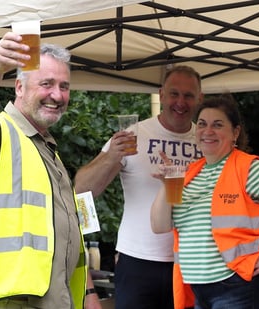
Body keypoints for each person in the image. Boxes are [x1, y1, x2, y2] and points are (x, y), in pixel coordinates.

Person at [0, 31, 101, 309]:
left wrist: (88, 296)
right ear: (19, 88)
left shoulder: (48, 150)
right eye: (46, 83)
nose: (57, 95)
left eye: (64, 86)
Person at [74, 65, 204, 309]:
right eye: (174, 94)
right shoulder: (134, 135)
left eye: (188, 95)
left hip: (193, 262)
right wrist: (111, 155)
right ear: (162, 94)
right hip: (137, 261)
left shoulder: (206, 141)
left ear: (200, 98)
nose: (180, 102)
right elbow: (82, 189)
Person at [151, 94, 259, 309]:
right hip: (199, 290)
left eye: (217, 125)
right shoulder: (190, 173)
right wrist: (169, 184)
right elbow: (159, 225)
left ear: (235, 132)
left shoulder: (248, 168)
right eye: (202, 124)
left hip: (239, 286)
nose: (207, 131)